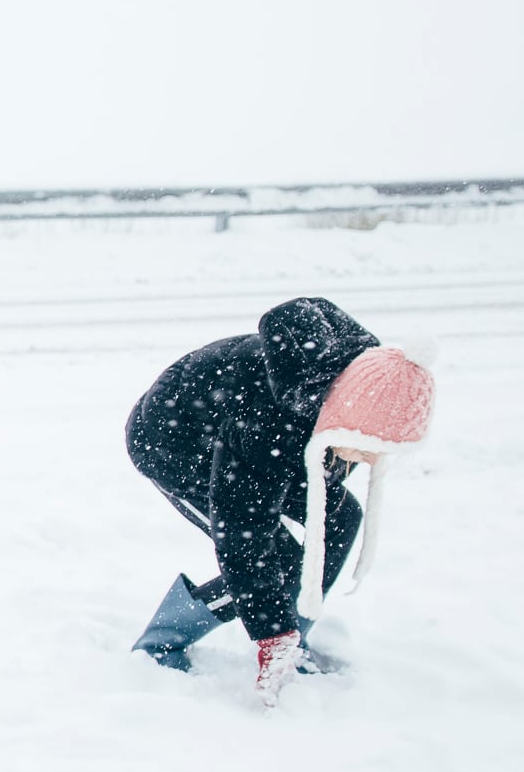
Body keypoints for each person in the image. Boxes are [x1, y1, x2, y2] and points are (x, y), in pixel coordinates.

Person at [124, 297, 435, 705]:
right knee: (274, 559)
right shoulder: (267, 424)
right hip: (177, 446)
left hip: (283, 444)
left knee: (341, 518)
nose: (374, 459)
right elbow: (243, 540)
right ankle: (164, 640)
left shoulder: (366, 382)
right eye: (367, 446)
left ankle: (295, 634)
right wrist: (271, 635)